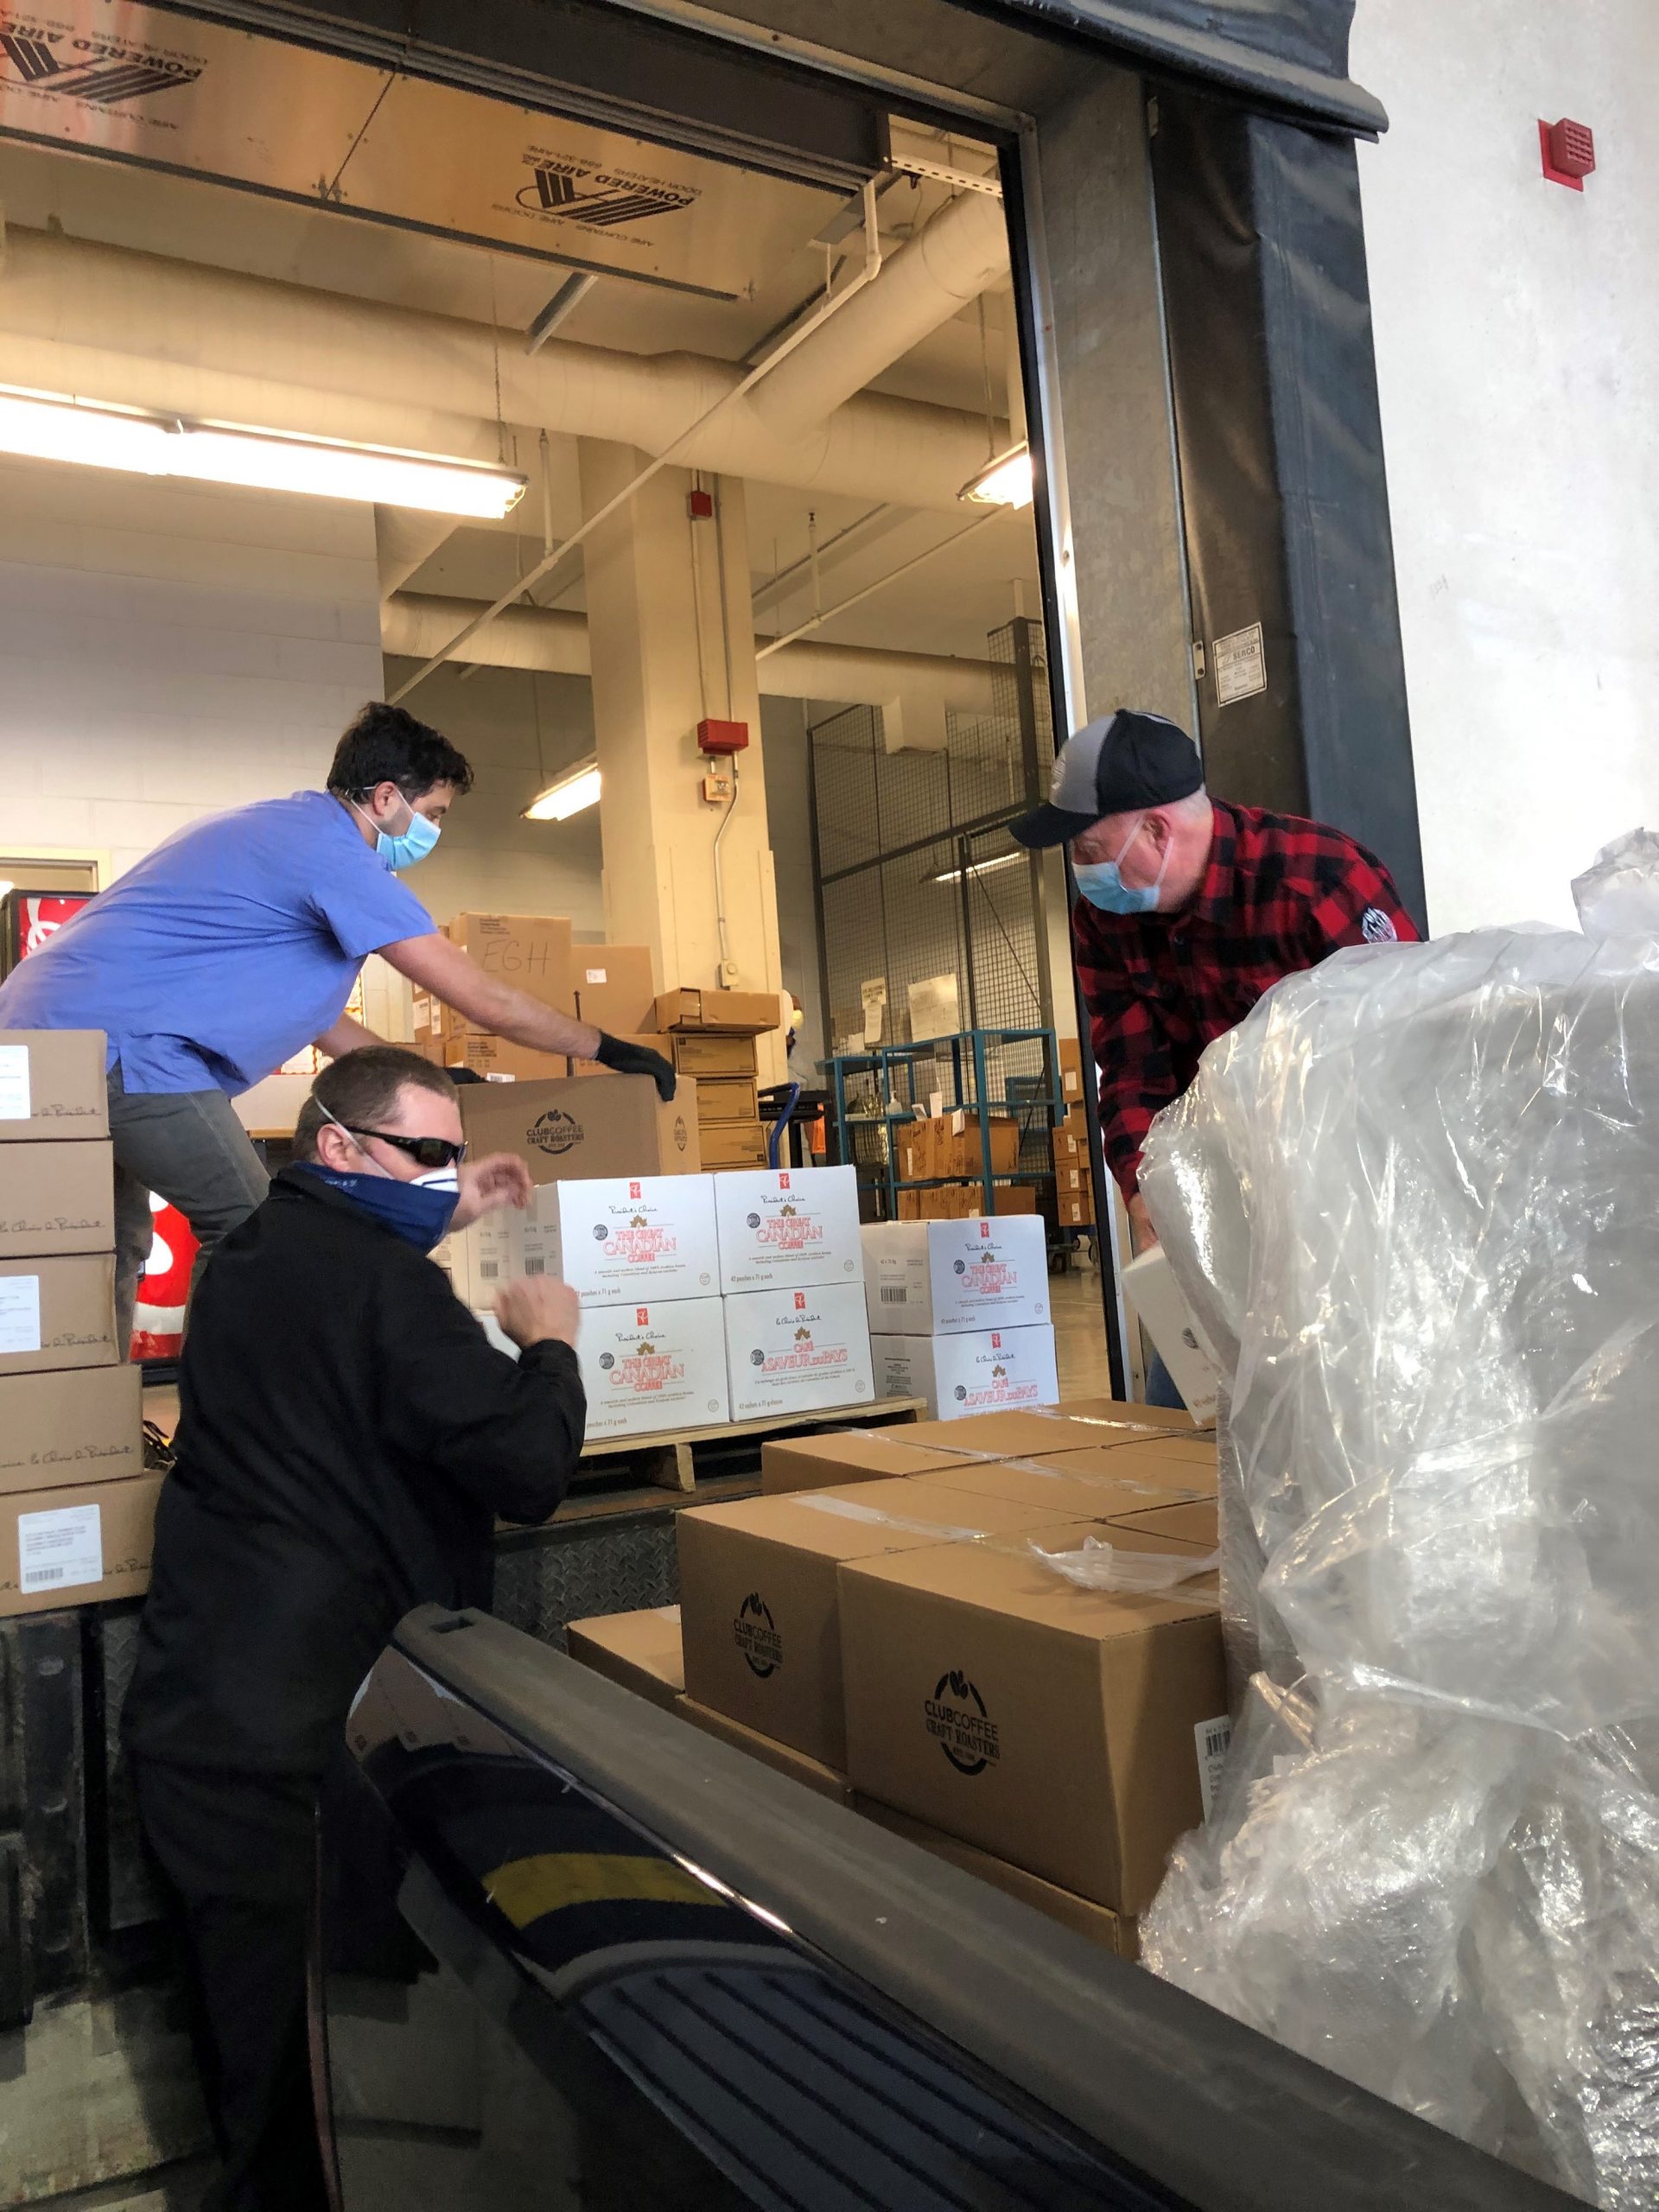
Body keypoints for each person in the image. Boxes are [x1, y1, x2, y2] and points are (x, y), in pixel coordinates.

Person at [120, 1045, 585, 2209]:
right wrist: (549, 1345)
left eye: (451, 1159)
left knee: (250, 2060)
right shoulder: (392, 1293)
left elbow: (342, 1311)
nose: (444, 1177)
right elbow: (527, 1466)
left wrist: (440, 1210)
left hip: (202, 1718)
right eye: (426, 1155)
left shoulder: (248, 1254)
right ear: (336, 1142)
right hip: (301, 1745)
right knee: (311, 2091)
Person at [0, 700, 675, 1349]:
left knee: (104, 1244)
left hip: (48, 1040)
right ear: (385, 798)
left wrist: (432, 1080)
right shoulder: (333, 852)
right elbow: (480, 998)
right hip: (120, 1048)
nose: (434, 831)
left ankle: (81, 1409)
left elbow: (330, 1028)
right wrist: (604, 1046)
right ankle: (223, 1412)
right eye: (434, 814)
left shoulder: (285, 836)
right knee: (252, 1227)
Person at [1012, 708, 1420, 1403]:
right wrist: (1144, 1188)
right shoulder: (1106, 920)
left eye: (1087, 847)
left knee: (1345, 1413)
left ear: (1156, 829)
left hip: (1348, 1208)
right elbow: (1130, 1065)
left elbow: (1403, 1055)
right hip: (1214, 1203)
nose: (1080, 869)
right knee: (1190, 1408)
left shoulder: (1318, 879)